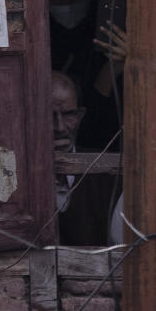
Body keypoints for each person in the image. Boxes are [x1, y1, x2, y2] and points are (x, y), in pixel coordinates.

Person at [51, 71, 112, 246]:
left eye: (68, 114)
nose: (60, 127)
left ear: (80, 115)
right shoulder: (11, 172)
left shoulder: (108, 174)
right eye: (48, 114)